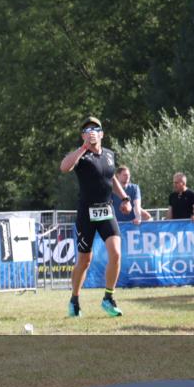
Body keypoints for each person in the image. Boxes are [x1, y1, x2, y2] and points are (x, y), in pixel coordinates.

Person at [60, 117, 133, 318]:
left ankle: (108, 298)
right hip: (87, 214)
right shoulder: (80, 156)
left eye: (95, 129)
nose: (91, 132)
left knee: (116, 253)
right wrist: (83, 147)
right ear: (83, 135)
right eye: (87, 130)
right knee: (85, 260)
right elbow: (64, 167)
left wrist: (125, 198)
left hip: (106, 211)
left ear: (102, 134)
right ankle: (74, 300)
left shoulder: (109, 154)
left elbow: (112, 179)